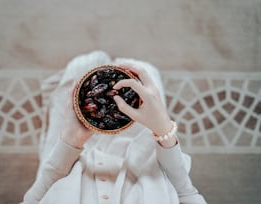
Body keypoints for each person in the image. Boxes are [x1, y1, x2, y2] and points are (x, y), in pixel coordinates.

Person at [22, 51, 207, 204]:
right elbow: (187, 195)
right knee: (141, 75)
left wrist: (69, 142)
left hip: (71, 159)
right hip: (145, 147)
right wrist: (164, 130)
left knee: (80, 73)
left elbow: (32, 200)